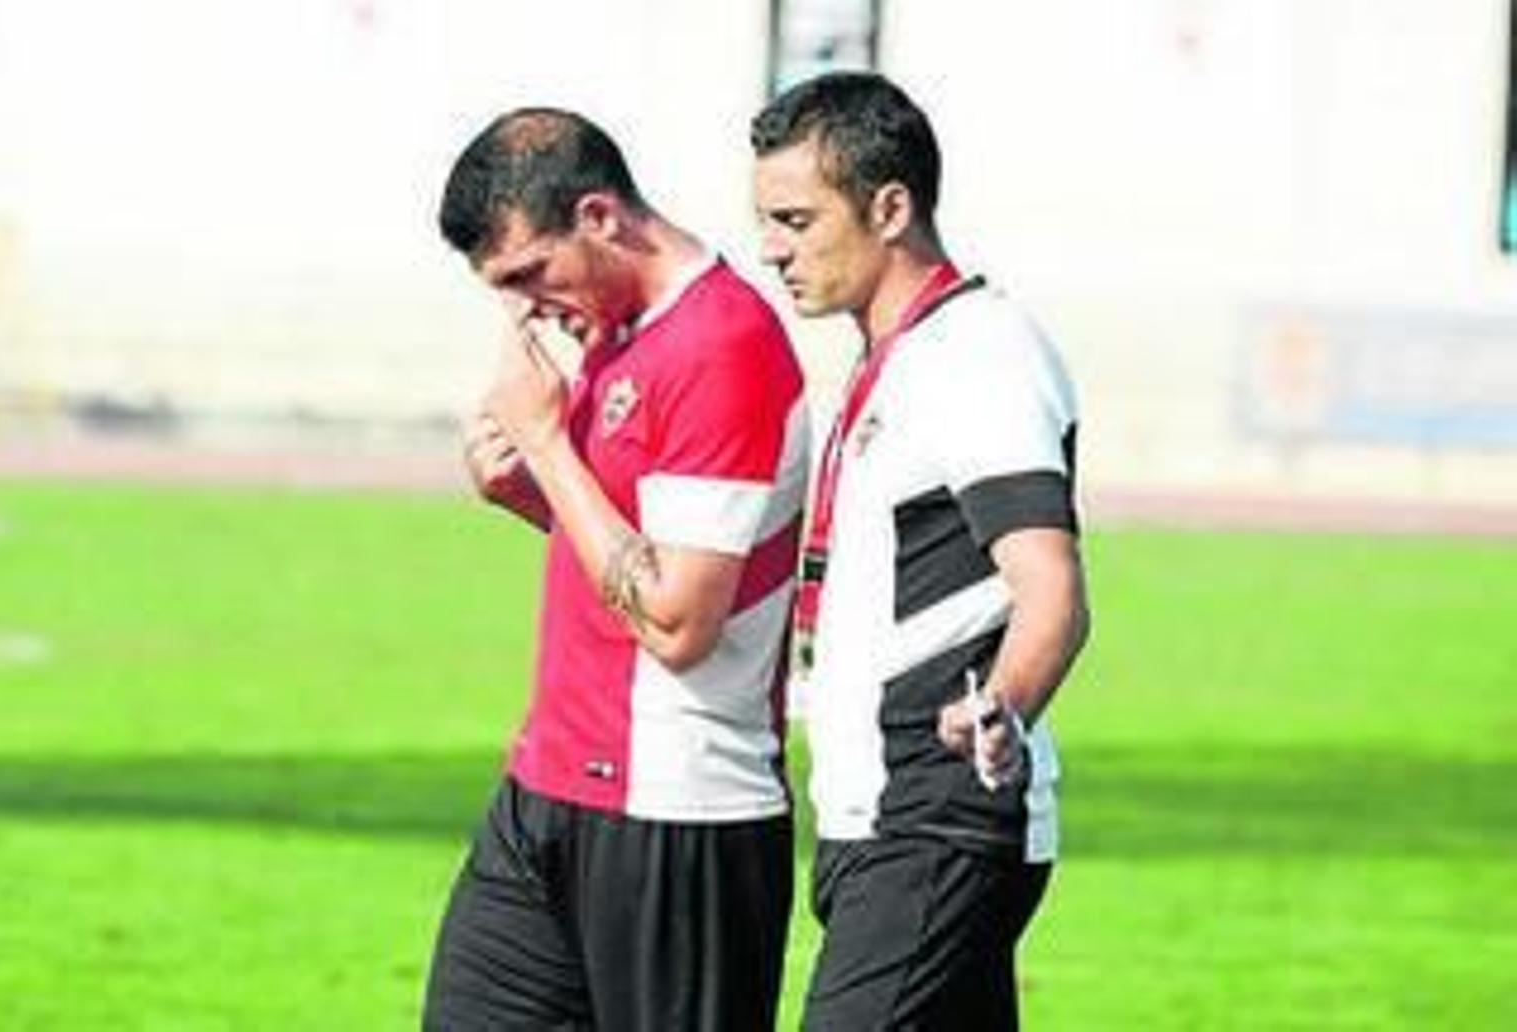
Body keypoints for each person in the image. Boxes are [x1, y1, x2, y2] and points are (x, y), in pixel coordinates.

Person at [421, 106, 808, 1031]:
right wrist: (529, 493)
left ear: (599, 217)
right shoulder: (618, 333)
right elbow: (629, 550)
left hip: (678, 808)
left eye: (529, 272)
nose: (523, 307)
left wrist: (548, 442)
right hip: (549, 786)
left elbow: (676, 620)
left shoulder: (722, 344)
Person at [749, 71, 1091, 1030]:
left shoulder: (979, 352)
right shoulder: (897, 354)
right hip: (876, 819)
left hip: (937, 818)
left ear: (889, 207)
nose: (773, 248)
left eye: (797, 219)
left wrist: (1002, 709)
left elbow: (1053, 589)